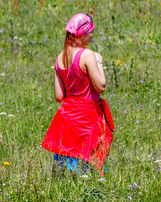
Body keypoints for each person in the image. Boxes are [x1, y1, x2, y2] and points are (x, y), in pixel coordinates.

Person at [41, 13, 114, 176]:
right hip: (87, 116)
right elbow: (101, 86)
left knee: (67, 160)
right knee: (88, 160)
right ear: (83, 34)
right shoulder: (87, 55)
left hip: (67, 117)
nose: (92, 36)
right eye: (91, 33)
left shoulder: (61, 57)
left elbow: (59, 96)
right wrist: (99, 61)